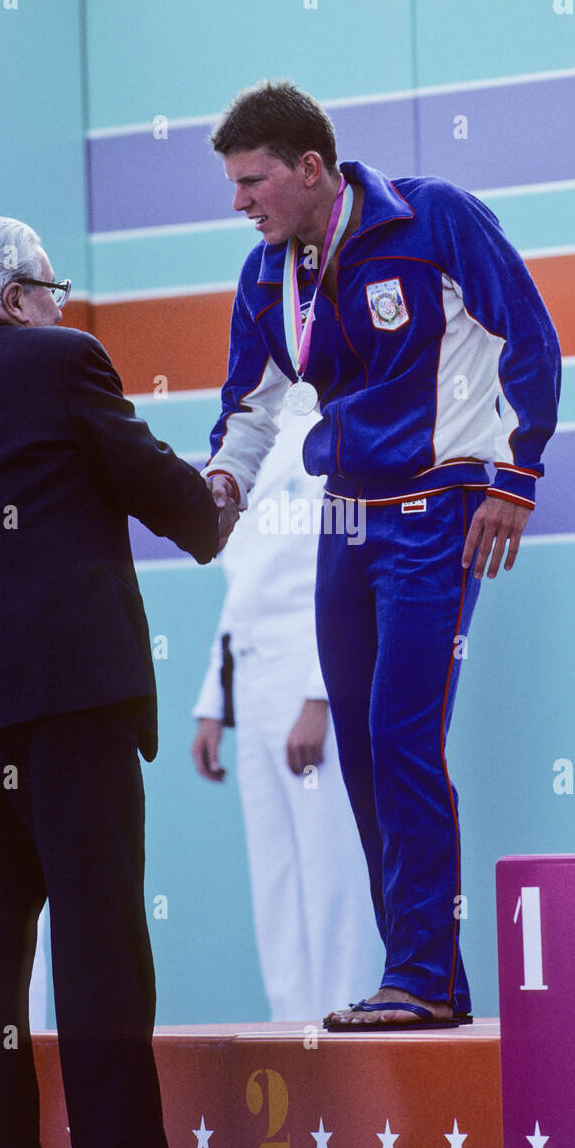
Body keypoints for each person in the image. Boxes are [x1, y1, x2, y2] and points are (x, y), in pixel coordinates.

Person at [0, 216, 228, 1148]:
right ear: (20, 293)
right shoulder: (63, 360)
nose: (60, 307)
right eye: (53, 291)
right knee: (101, 953)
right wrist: (216, 500)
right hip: (70, 708)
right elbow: (168, 495)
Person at [203, 80, 561, 1031]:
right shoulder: (266, 274)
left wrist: (513, 479)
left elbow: (530, 338)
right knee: (362, 754)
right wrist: (223, 486)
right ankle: (423, 975)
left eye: (253, 181)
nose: (240, 203)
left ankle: (419, 977)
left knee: (403, 737)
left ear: (311, 167)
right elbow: (251, 407)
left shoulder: (432, 217)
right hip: (344, 522)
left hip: (438, 514)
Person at [191, 407, 382, 1021]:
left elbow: (346, 580)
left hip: (312, 667)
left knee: (332, 874)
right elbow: (240, 586)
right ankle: (291, 1029)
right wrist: (212, 703)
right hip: (251, 674)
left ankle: (341, 1019)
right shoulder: (243, 444)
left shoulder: (333, 430)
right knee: (274, 880)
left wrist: (321, 694)